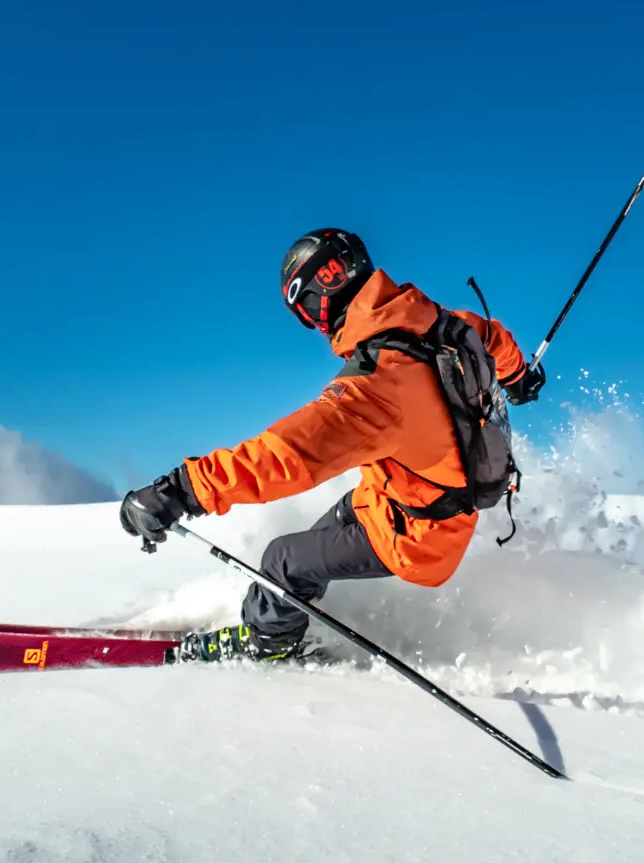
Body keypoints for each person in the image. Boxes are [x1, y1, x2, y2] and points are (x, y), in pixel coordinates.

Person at [119, 228, 546, 662]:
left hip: (418, 536)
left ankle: (269, 644)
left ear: (320, 303)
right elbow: (495, 340)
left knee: (282, 560)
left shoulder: (377, 383)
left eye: (304, 310)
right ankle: (282, 609)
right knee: (326, 530)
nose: (313, 324)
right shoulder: (445, 326)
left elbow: (283, 456)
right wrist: (518, 378)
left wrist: (178, 491)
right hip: (400, 499)